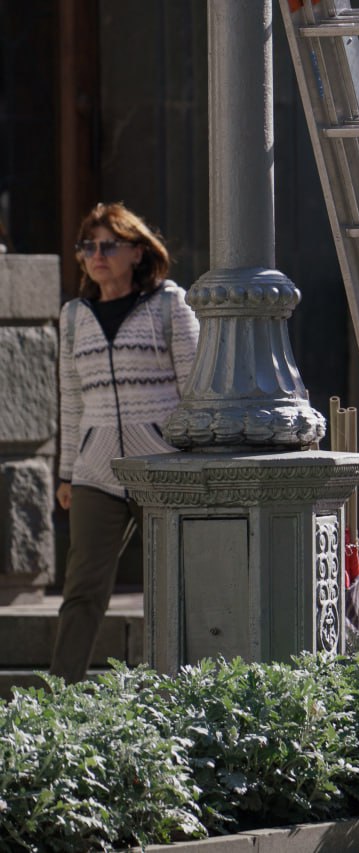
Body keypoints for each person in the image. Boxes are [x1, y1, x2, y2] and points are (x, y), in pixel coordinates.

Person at [52, 202, 199, 683]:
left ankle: (180, 689)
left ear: (136, 253)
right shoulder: (73, 317)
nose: (97, 254)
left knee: (176, 587)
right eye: (88, 246)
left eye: (108, 245)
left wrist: (192, 458)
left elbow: (195, 387)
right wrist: (68, 472)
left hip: (161, 468)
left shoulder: (169, 306)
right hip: (96, 471)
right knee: (83, 589)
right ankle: (59, 698)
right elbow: (71, 401)